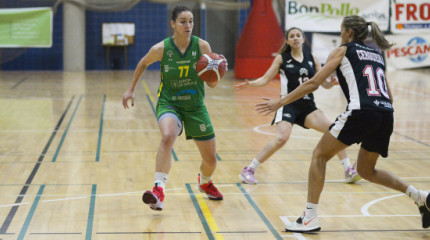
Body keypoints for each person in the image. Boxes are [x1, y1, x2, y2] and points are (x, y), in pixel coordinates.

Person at [255, 15, 430, 232]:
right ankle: (420, 196)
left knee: (319, 155)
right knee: (367, 171)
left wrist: (280, 101)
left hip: (361, 111)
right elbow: (390, 96)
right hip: (386, 113)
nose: (340, 34)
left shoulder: (343, 50)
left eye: (341, 30)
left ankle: (310, 218)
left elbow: (314, 83)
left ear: (348, 32)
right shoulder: (377, 54)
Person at [122, 6, 226, 211]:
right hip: (169, 103)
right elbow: (143, 63)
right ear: (173, 24)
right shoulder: (161, 49)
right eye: (183, 21)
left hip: (195, 106)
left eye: (191, 21)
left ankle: (205, 181)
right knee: (167, 136)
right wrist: (131, 88)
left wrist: (215, 75)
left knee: (211, 159)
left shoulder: (202, 46)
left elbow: (211, 84)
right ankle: (158, 190)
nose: (188, 25)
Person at [235, 27, 360, 185]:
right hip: (287, 104)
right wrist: (250, 84)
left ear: (302, 39)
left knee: (335, 131)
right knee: (281, 139)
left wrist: (331, 83)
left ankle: (348, 170)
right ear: (287, 41)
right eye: (292, 36)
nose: (295, 38)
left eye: (298, 35)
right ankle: (249, 170)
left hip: (307, 106)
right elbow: (266, 78)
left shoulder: (312, 57)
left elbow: (322, 83)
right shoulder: (282, 58)